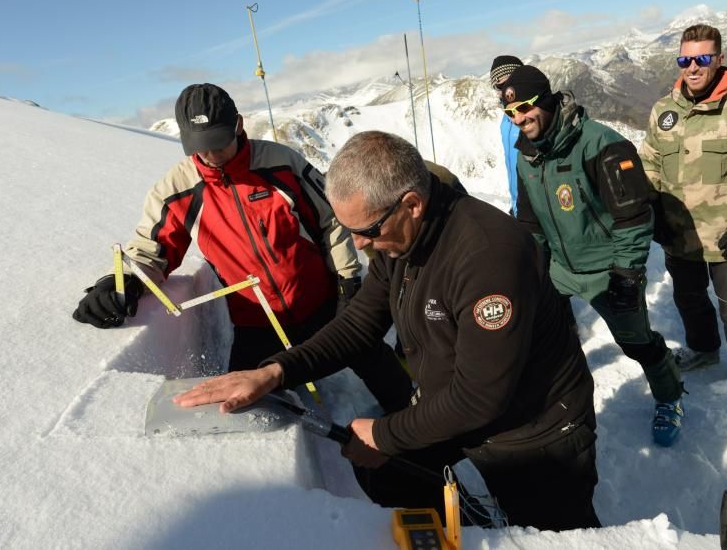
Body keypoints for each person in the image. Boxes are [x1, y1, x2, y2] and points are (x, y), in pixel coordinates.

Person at [175, 131, 601, 532]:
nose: (359, 246)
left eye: (366, 232)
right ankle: (460, 530)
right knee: (386, 474)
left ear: (411, 204)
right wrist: (275, 372)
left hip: (533, 429)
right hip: (456, 405)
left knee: (552, 531)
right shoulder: (399, 239)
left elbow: (480, 397)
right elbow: (359, 323)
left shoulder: (489, 257)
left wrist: (383, 434)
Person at [72, 83, 411, 413]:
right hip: (256, 321)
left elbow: (332, 218)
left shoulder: (281, 164)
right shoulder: (178, 189)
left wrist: (348, 280)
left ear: (238, 125)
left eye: (218, 142)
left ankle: (414, 417)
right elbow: (152, 247)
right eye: (199, 146)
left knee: (371, 357)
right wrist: (121, 282)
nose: (211, 155)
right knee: (244, 402)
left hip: (320, 302)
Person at [505, 64, 685, 446]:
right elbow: (529, 221)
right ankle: (553, 401)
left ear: (548, 100)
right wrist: (530, 274)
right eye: (510, 113)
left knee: (637, 342)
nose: (519, 119)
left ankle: (670, 395)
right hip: (559, 268)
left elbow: (634, 217)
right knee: (538, 337)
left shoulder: (602, 144)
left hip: (607, 268)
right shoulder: (528, 156)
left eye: (524, 107)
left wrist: (626, 273)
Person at [639, 24, 727, 388]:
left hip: (726, 229)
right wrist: (653, 208)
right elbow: (650, 162)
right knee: (688, 297)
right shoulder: (664, 110)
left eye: (702, 58)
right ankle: (703, 348)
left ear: (719, 59)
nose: (693, 67)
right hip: (679, 231)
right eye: (685, 59)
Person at [489, 55, 523, 214]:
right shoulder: (506, 121)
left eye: (507, 83)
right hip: (520, 208)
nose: (503, 91)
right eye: (498, 86)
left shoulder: (531, 116)